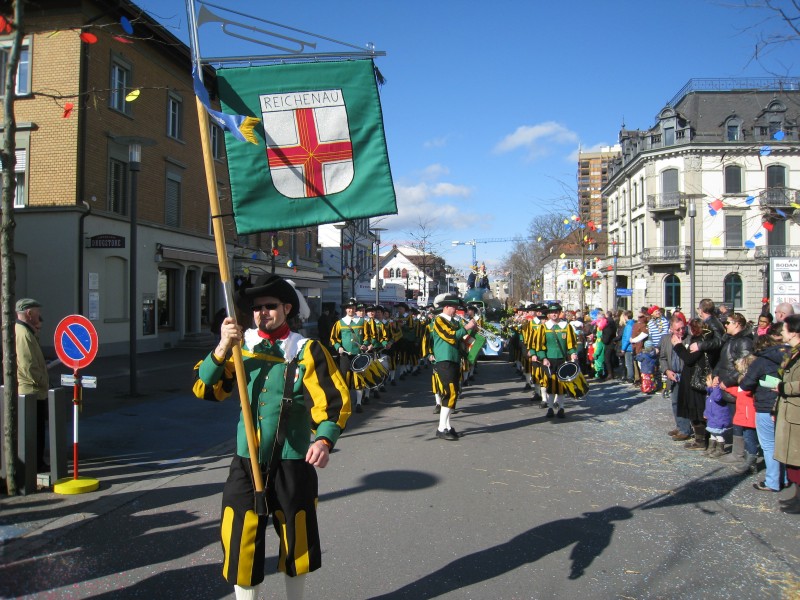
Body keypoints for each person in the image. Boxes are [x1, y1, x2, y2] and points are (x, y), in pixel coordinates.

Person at [193, 274, 351, 600]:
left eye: (270, 306)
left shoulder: (306, 350)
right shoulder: (241, 348)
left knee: (297, 540)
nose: (263, 313)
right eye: (257, 308)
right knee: (240, 541)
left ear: (286, 308)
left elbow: (333, 402)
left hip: (292, 461)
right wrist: (223, 346)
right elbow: (205, 388)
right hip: (246, 462)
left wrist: (323, 439)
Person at [739, 334, 788, 491]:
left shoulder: (760, 361)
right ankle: (785, 478)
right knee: (782, 444)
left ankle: (772, 481)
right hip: (784, 404)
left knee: (768, 445)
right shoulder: (787, 357)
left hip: (766, 405)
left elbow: (746, 384)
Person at [428, 293, 476, 440]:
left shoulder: (454, 321)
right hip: (444, 360)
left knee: (453, 393)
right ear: (446, 307)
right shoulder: (439, 320)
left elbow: (461, 339)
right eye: (454, 307)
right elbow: (450, 336)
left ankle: (447, 426)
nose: (456, 310)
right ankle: (441, 428)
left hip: (454, 359)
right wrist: (467, 327)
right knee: (450, 393)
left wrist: (473, 333)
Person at [715, 312, 755, 466]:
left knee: (739, 420)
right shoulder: (730, 339)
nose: (725, 325)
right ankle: (737, 452)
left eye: (728, 323)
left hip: (735, 386)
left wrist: (728, 380)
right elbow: (723, 360)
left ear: (737, 323)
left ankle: (739, 453)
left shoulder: (744, 341)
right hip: (726, 383)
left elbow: (743, 366)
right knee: (734, 418)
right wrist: (716, 374)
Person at [15, 298, 50, 472]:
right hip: (31, 390)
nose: (40, 315)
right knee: (35, 430)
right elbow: (28, 365)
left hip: (34, 390)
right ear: (29, 313)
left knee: (37, 429)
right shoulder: (23, 333)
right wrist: (43, 382)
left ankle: (37, 462)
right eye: (37, 312)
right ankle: (36, 465)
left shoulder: (27, 332)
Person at [531, 302, 579, 418]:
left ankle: (561, 408)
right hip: (549, 360)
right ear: (548, 315)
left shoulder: (566, 326)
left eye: (556, 312)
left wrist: (572, 353)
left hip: (562, 360)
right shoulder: (543, 327)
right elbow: (539, 345)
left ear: (559, 313)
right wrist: (544, 358)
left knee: (562, 385)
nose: (554, 314)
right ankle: (550, 408)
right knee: (551, 385)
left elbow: (571, 344)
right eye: (552, 312)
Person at [672, 318, 714, 450]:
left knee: (697, 411)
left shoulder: (700, 341)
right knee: (695, 410)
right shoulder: (702, 340)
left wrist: (678, 346)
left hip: (695, 380)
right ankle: (700, 439)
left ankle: (701, 441)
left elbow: (689, 359)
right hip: (692, 378)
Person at [774, 314, 800, 513]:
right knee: (792, 460)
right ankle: (797, 496)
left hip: (796, 413)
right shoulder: (792, 352)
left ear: (794, 332)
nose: (782, 332)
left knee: (797, 457)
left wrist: (784, 387)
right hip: (788, 409)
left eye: (784, 329)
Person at [330, 298, 368, 413]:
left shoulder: (362, 322)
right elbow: (333, 338)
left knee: (359, 379)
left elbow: (368, 336)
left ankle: (358, 403)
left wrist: (365, 345)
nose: (351, 310)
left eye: (352, 308)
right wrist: (338, 347)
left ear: (355, 309)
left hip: (358, 355)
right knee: (344, 379)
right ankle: (346, 403)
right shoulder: (340, 323)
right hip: (345, 356)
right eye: (349, 308)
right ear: (346, 310)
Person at [661, 316, 691, 441]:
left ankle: (685, 430)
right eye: (678, 329)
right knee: (675, 403)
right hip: (673, 376)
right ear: (671, 329)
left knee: (684, 403)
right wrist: (666, 370)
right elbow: (662, 358)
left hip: (686, 376)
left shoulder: (689, 339)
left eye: (683, 328)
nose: (681, 331)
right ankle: (679, 426)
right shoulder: (666, 339)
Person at [704, 373, 732, 457]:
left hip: (718, 417)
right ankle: (711, 448)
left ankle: (720, 449)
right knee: (712, 434)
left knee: (718, 434)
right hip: (712, 417)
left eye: (708, 380)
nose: (706, 382)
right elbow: (708, 405)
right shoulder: (710, 393)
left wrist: (716, 387)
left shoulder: (718, 391)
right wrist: (705, 413)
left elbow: (717, 398)